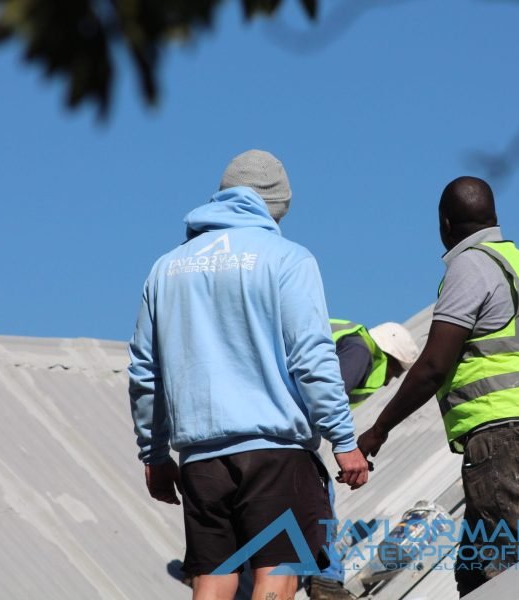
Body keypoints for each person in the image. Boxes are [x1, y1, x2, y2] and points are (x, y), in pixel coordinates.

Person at [128, 149, 370, 600]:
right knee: (276, 575)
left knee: (213, 579)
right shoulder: (288, 258)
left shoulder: (167, 268)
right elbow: (312, 356)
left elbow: (145, 371)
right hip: (275, 455)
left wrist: (154, 453)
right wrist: (344, 439)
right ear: (276, 206)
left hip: (201, 460)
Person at [358, 176, 519, 597]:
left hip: (505, 434)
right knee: (475, 574)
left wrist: (377, 430)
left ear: (444, 222)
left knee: (511, 574)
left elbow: (434, 365)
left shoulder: (471, 265)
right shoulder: (516, 263)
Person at [309, 320, 419, 599]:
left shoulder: (349, 341)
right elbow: (330, 400)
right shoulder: (360, 352)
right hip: (289, 434)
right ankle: (326, 581)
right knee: (320, 503)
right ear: (389, 356)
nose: (389, 381)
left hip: (271, 424)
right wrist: (347, 449)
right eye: (394, 372)